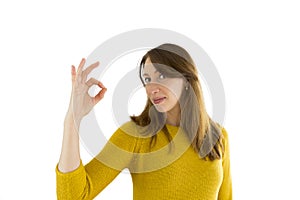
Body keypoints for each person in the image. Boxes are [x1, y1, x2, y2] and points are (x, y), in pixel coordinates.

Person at [56, 43, 232, 200]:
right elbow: (73, 196)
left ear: (186, 80)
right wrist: (73, 118)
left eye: (161, 77)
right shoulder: (135, 135)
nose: (151, 88)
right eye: (147, 79)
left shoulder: (218, 136)